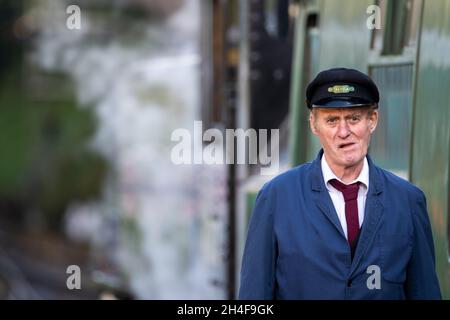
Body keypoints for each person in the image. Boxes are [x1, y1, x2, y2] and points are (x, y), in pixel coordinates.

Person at [238, 67, 442, 299]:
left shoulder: (408, 200)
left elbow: (424, 291)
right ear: (314, 125)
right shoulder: (277, 197)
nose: (344, 132)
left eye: (354, 118)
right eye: (332, 120)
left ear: (372, 120)